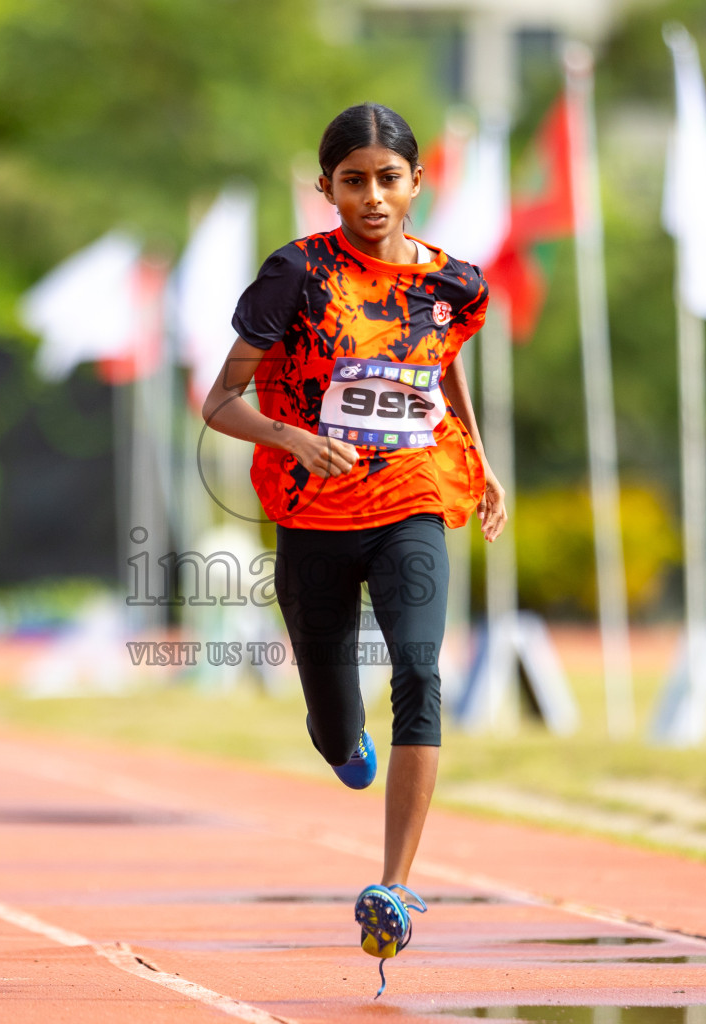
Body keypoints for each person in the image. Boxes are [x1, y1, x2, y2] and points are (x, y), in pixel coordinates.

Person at [201, 103, 506, 994]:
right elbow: (221, 401)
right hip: (313, 513)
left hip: (412, 496)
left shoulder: (456, 284)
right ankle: (338, 739)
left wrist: (478, 458)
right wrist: (294, 440)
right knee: (338, 726)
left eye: (389, 178)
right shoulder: (296, 273)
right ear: (327, 186)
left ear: (416, 183)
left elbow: (442, 364)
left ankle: (396, 889)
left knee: (420, 668)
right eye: (353, 180)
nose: (372, 196)